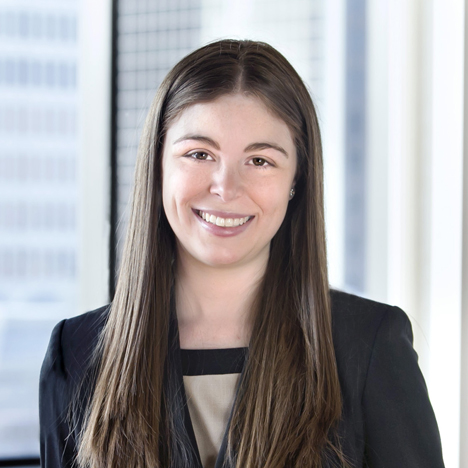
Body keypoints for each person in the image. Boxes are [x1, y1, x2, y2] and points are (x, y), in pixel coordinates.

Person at [39, 39, 445, 468]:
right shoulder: (78, 356)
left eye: (261, 161)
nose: (225, 187)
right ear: (158, 166)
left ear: (297, 181)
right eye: (199, 154)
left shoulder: (369, 347)